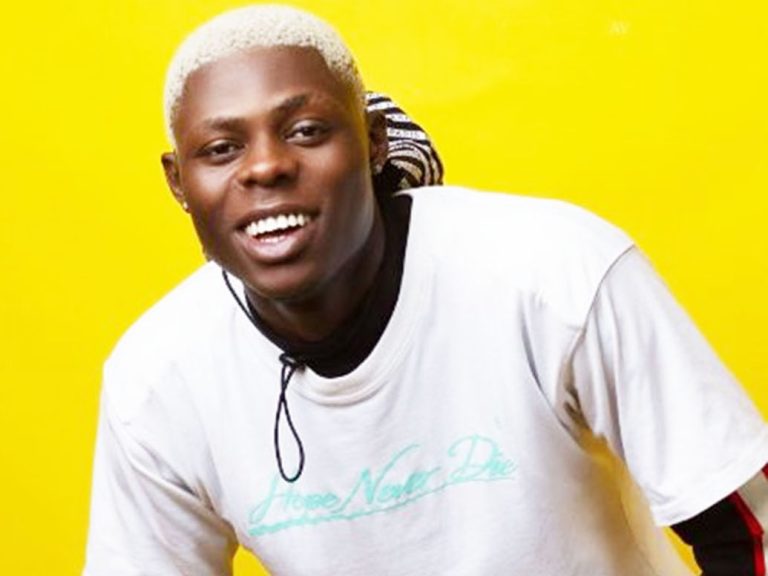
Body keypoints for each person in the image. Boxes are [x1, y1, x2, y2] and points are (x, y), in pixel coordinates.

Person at [83, 5, 768, 575]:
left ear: (373, 141)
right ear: (179, 182)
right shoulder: (159, 381)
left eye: (306, 131)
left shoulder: (551, 274)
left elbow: (749, 528)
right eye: (221, 149)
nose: (266, 167)